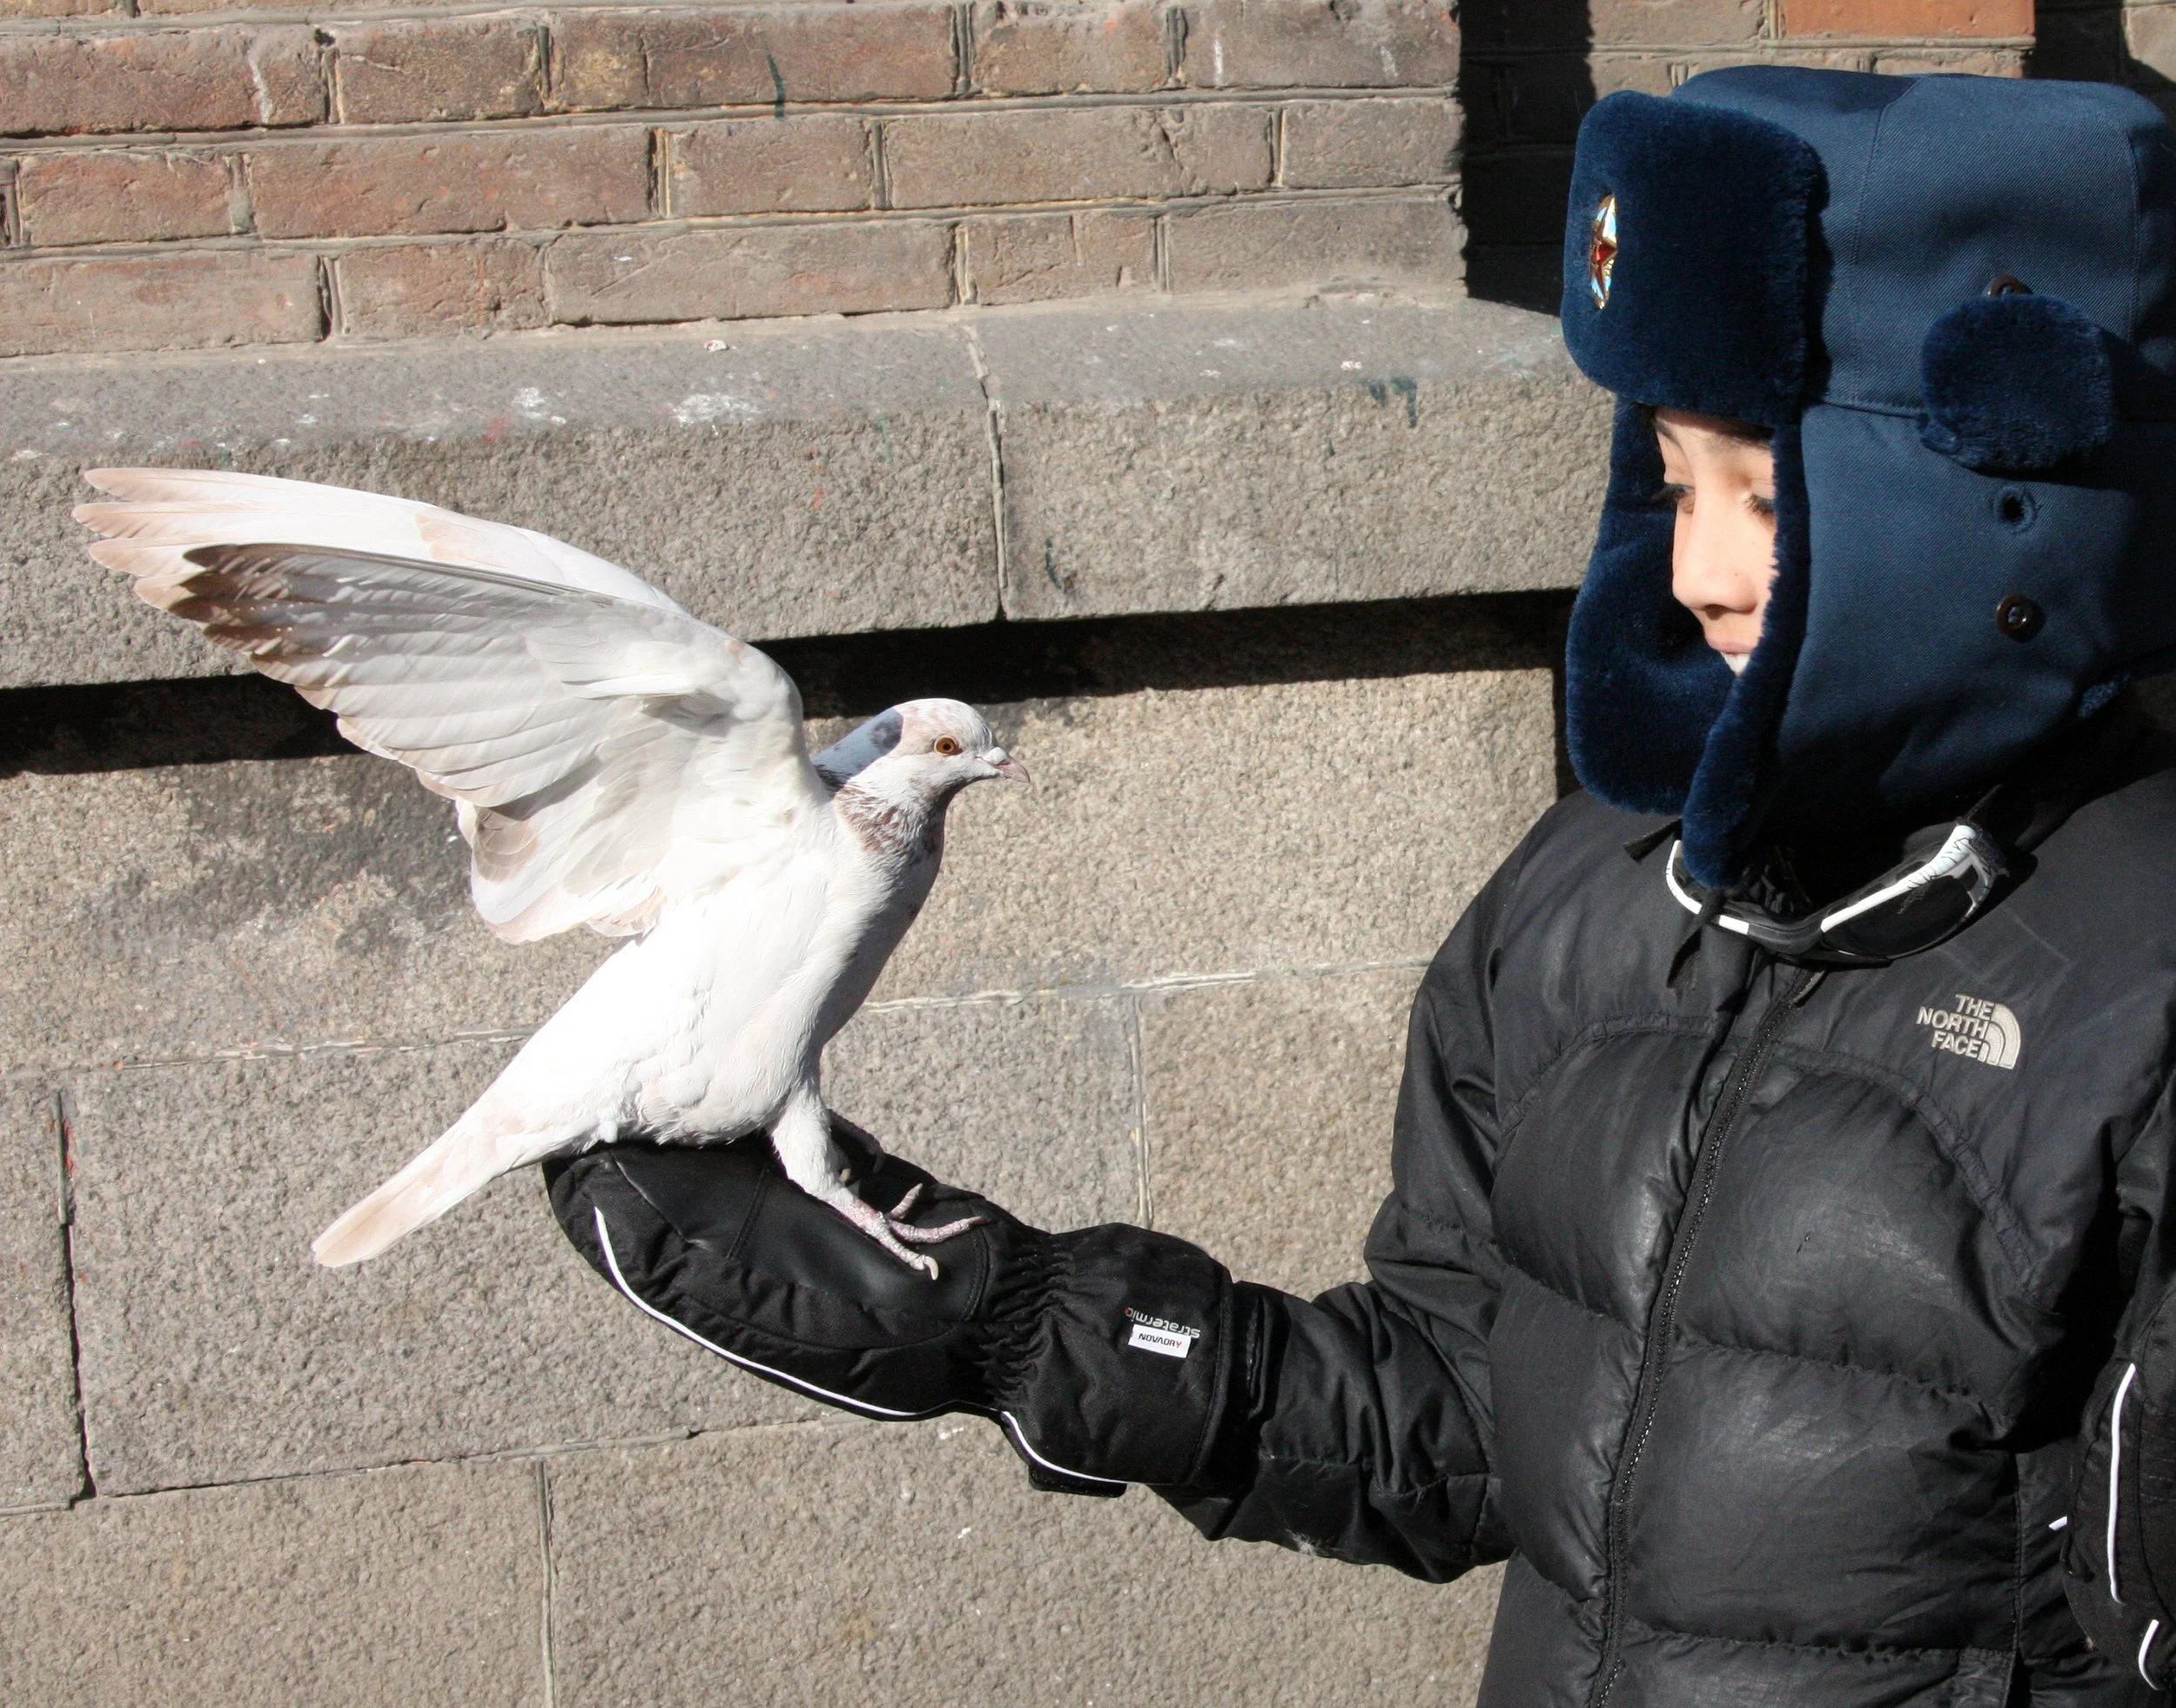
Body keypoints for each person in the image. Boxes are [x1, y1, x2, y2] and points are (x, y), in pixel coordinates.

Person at [547, 68, 2176, 1704]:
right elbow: (1459, 1408)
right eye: (1674, 482)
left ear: (1981, 494)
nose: (1698, 569)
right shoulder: (1594, 896)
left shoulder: (2147, 971)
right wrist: (1008, 1321)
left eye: (1768, 490)